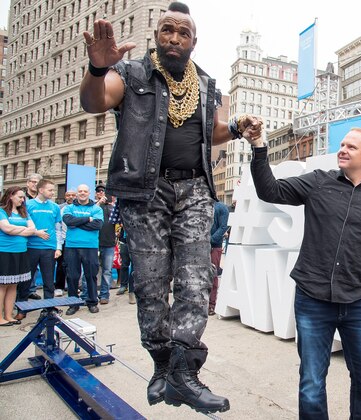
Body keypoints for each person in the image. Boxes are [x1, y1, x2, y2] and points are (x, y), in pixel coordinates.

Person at [78, 2, 262, 414]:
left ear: (194, 41)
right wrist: (95, 68)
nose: (174, 37)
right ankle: (163, 364)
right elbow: (94, 102)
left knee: (197, 280)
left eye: (183, 32)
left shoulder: (209, 84)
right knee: (150, 283)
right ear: (157, 36)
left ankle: (183, 372)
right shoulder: (130, 73)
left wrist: (234, 128)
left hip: (195, 190)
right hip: (144, 191)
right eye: (167, 30)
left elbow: (210, 131)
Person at [245, 127, 361, 420]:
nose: (343, 149)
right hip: (312, 300)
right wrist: (258, 148)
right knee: (311, 382)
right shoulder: (318, 182)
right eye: (342, 144)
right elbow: (269, 190)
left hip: (359, 303)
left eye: (352, 147)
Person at [0, 187, 48, 326]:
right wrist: (26, 230)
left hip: (21, 251)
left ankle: (9, 315)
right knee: (3, 285)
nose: (22, 200)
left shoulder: (24, 212)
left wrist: (19, 230)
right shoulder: (2, 211)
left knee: (13, 285)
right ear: (10, 196)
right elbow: (7, 229)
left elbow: (32, 229)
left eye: (23, 198)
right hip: (5, 252)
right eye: (20, 197)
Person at [15, 180, 62, 321]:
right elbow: (22, 224)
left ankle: (49, 309)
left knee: (48, 280)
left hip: (49, 248)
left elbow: (58, 228)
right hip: (30, 247)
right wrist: (36, 232)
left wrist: (58, 247)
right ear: (41, 190)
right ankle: (22, 308)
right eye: (50, 190)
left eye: (53, 190)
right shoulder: (28, 205)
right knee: (25, 280)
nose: (53, 193)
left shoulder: (54, 207)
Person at [62, 184, 103, 315]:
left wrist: (77, 223)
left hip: (90, 246)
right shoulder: (69, 207)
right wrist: (87, 219)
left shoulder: (96, 208)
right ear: (77, 193)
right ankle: (73, 304)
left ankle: (92, 302)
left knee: (91, 275)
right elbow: (68, 221)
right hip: (72, 246)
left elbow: (97, 225)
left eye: (85, 191)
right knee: (72, 276)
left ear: (89, 192)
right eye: (80, 191)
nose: (82, 193)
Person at [94, 185, 116, 304]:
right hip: (94, 243)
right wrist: (98, 202)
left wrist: (112, 204)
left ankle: (104, 295)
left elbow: (119, 220)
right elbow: (89, 213)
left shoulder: (112, 207)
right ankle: (90, 295)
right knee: (92, 270)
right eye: (99, 191)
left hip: (109, 243)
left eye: (104, 191)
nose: (101, 193)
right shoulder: (93, 205)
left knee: (107, 271)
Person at [23, 173, 43, 299]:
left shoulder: (42, 199)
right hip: (23, 236)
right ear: (27, 183)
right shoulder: (22, 198)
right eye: (32, 181)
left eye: (37, 182)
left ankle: (31, 289)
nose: (34, 184)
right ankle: (22, 292)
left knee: (34, 267)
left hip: (38, 238)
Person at [54, 189, 77, 297]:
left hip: (75, 240)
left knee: (74, 265)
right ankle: (59, 287)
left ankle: (73, 287)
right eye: (68, 195)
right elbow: (57, 225)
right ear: (65, 196)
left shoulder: (79, 208)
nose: (71, 197)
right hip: (63, 240)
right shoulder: (59, 208)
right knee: (61, 265)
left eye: (73, 195)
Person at [209, 201, 229, 316]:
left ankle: (211, 304)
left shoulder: (221, 207)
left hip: (214, 246)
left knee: (212, 275)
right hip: (202, 245)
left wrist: (210, 240)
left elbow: (223, 227)